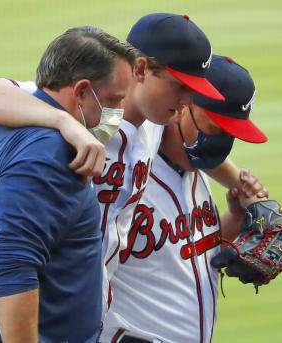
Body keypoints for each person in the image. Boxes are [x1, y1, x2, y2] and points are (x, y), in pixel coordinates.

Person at [0, 13, 252, 316]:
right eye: (180, 86)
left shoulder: (156, 122)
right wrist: (63, 123)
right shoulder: (89, 111)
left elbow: (197, 151)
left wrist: (244, 188)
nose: (188, 100)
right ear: (141, 69)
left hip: (92, 316)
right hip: (40, 310)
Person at [0, 27, 135, 343]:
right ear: (81, 91)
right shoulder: (51, 155)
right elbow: (14, 268)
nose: (117, 113)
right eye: (113, 100)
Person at [101, 55, 268, 343]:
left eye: (231, 133)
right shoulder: (125, 180)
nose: (222, 141)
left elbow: (187, 250)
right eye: (216, 126)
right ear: (181, 107)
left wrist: (237, 218)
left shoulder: (197, 175)